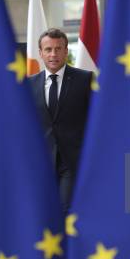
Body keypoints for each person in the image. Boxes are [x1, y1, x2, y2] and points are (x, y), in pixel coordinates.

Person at [28, 28, 93, 212]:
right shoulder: (28, 84)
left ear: (66, 51)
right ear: (40, 53)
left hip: (72, 161)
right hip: (41, 161)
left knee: (65, 210)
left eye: (58, 49)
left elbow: (94, 120)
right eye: (48, 49)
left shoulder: (85, 79)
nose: (53, 54)